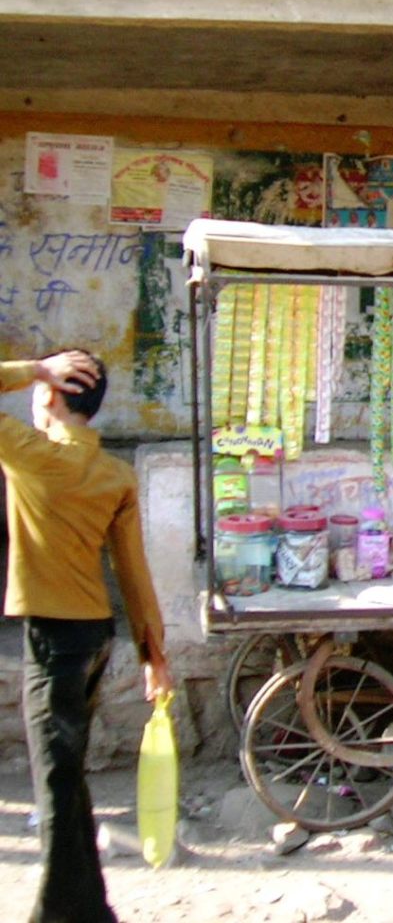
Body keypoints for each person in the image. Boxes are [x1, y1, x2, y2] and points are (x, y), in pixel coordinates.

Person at [1, 350, 171, 923]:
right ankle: (90, 909)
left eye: (41, 389)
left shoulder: (31, 456)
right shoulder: (115, 475)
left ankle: (55, 913)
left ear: (52, 395)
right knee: (67, 775)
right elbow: (133, 571)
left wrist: (33, 368)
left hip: (53, 642)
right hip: (95, 636)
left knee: (54, 784)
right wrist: (153, 654)